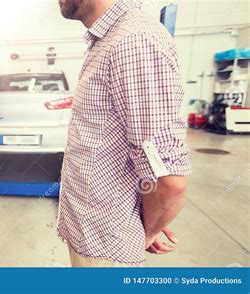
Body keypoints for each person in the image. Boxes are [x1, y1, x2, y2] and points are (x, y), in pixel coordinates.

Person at [57, 0, 191, 267]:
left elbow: (169, 180)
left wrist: (147, 229)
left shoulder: (133, 41)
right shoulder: (109, 39)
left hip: (107, 248)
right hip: (93, 236)